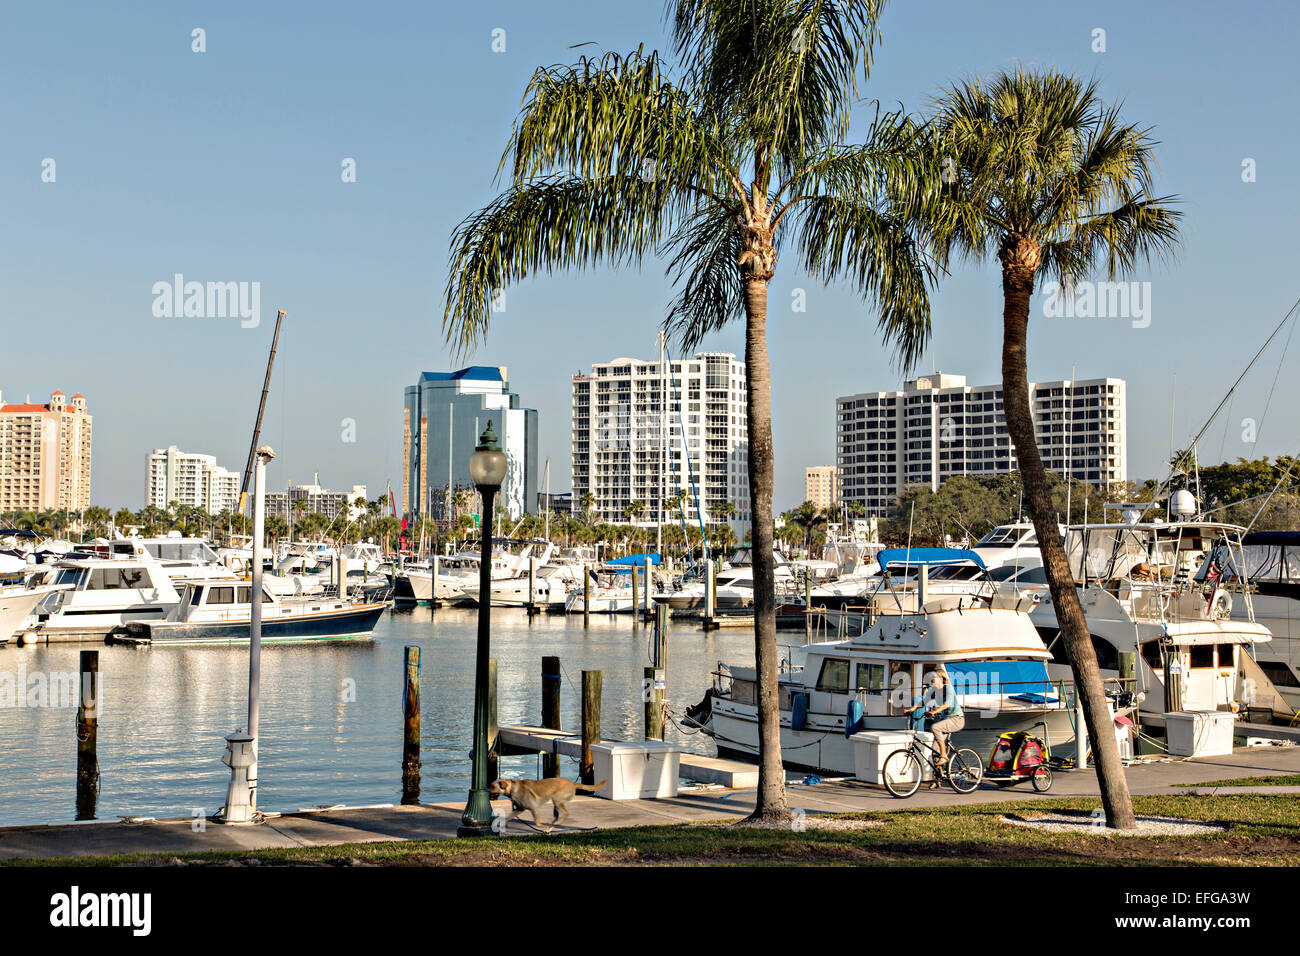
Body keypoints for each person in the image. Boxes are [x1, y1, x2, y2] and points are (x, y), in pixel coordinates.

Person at [912, 667, 965, 789]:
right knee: (934, 751)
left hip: (957, 719)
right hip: (946, 720)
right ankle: (937, 779)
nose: (931, 679)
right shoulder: (934, 690)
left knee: (935, 727)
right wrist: (911, 709)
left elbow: (948, 704)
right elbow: (923, 702)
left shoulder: (948, 688)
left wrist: (935, 711)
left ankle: (944, 756)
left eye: (933, 677)